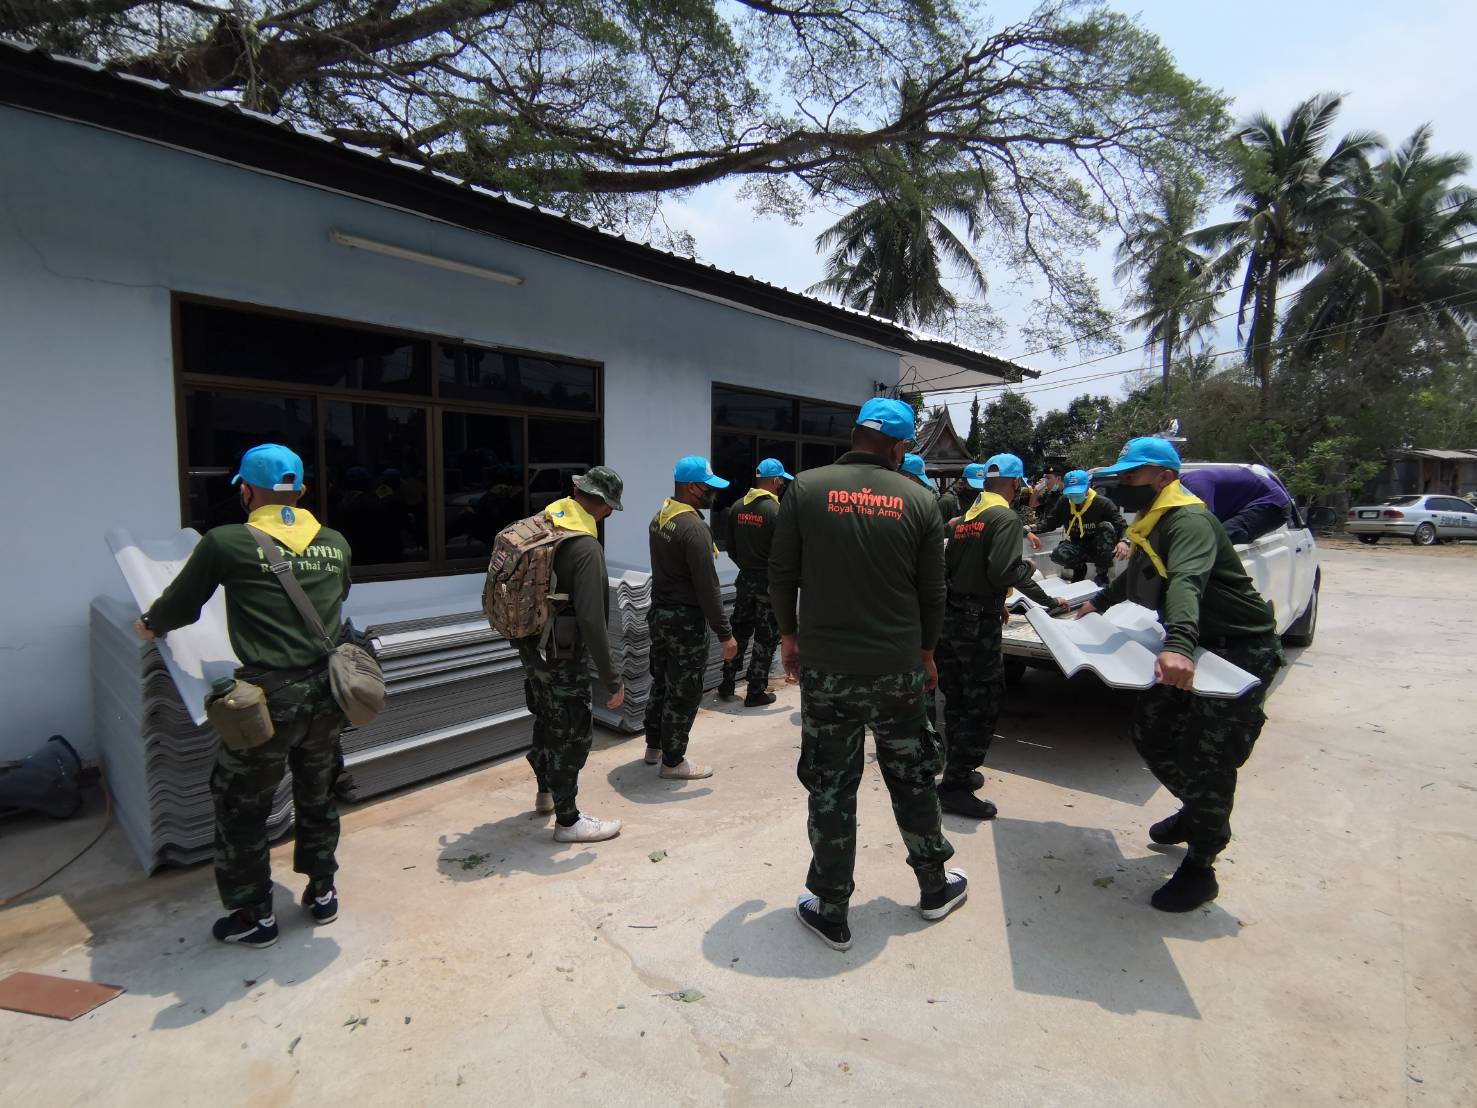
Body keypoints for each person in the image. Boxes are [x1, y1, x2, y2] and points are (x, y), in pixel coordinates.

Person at [134, 444, 352, 949]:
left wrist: (149, 625)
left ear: (246, 491)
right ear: (301, 490)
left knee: (242, 806)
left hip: (267, 703)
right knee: (318, 794)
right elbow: (338, 596)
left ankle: (255, 916)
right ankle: (322, 892)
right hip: (327, 695)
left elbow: (180, 606)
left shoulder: (226, 542)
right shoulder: (335, 543)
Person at [770, 398, 967, 952]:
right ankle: (934, 887)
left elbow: (782, 573)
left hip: (828, 671)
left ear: (855, 433)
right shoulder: (921, 499)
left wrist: (789, 637)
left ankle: (832, 909)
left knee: (832, 786)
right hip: (898, 670)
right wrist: (927, 652)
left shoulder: (805, 489)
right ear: (900, 446)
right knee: (912, 777)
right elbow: (934, 590)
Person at [1075, 437, 1284, 912]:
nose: (1122, 483)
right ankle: (1199, 811)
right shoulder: (1154, 519)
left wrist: (1178, 645)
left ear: (1164, 477)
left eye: (1131, 475)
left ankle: (1202, 863)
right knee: (1151, 732)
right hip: (1198, 645)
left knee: (1209, 757)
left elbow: (1187, 581)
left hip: (1239, 650)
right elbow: (1141, 574)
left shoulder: (1188, 520)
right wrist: (1098, 602)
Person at [936, 453, 1069, 820]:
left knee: (958, 697)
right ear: (1015, 483)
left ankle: (958, 769)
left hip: (953, 618)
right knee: (984, 702)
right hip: (977, 625)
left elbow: (951, 568)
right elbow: (1003, 571)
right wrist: (1032, 578)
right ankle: (955, 787)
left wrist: (989, 598)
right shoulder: (1005, 518)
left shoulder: (966, 520)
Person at [514, 467, 627, 843]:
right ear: (602, 504)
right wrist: (611, 677)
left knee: (547, 717)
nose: (609, 515)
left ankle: (545, 793)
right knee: (572, 732)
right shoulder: (584, 547)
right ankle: (568, 821)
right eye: (610, 508)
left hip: (533, 646)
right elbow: (593, 620)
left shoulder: (543, 523)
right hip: (562, 653)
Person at [645, 456, 739, 779]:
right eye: (708, 487)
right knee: (684, 691)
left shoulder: (661, 517)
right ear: (692, 487)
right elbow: (708, 587)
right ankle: (673, 762)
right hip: (685, 622)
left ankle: (654, 746)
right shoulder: (694, 529)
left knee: (661, 682)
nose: (713, 493)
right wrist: (725, 634)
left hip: (659, 615)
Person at [719, 457, 793, 708]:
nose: (782, 485)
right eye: (782, 481)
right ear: (775, 481)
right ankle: (755, 691)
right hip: (769, 586)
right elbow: (784, 554)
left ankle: (727, 682)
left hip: (745, 581)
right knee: (766, 638)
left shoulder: (737, 507)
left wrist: (747, 567)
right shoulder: (777, 512)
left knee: (738, 632)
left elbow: (730, 548)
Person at [1030, 469, 1128, 586]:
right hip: (1078, 545)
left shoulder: (1103, 504)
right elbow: (1051, 523)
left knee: (1105, 527)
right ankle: (1079, 570)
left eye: (1078, 492)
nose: (1074, 496)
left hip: (1100, 547)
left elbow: (1121, 525)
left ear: (1088, 486)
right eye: (1071, 493)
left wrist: (1123, 541)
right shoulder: (1064, 502)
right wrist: (1033, 528)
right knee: (1058, 554)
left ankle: (1102, 575)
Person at [1179, 466, 1293, 545]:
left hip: (1272, 503)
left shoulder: (1196, 486)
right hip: (1252, 502)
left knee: (1215, 538)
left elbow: (1202, 525)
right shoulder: (1182, 484)